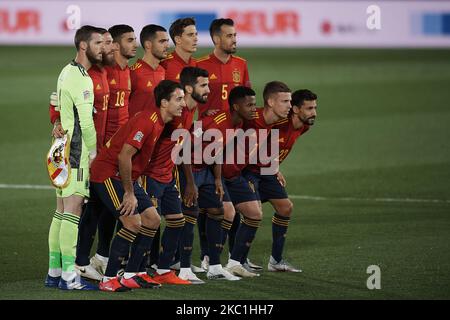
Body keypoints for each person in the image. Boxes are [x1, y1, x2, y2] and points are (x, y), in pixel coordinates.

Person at [89, 80, 185, 292]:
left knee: (152, 219)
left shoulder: (159, 121)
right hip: (107, 174)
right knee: (132, 223)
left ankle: (133, 274)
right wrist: (130, 193)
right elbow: (124, 156)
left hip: (125, 177)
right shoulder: (148, 122)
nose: (183, 104)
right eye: (178, 99)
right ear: (163, 102)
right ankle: (109, 279)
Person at [49, 28, 116, 282]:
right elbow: (87, 124)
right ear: (83, 46)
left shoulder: (66, 71)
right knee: (73, 212)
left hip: (60, 151)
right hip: (76, 153)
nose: (103, 47)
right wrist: (94, 153)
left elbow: (57, 106)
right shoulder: (83, 79)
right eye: (98, 42)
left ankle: (54, 272)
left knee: (60, 212)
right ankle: (69, 276)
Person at [142, 67, 210, 285]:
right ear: (189, 89)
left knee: (176, 220)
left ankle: (163, 268)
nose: (209, 90)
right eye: (204, 85)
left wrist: (189, 181)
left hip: (168, 175)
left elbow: (183, 146)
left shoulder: (189, 112)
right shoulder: (171, 115)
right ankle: (134, 269)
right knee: (147, 223)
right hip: (150, 175)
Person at [243, 89, 317, 273]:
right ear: (296, 109)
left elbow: (275, 146)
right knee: (246, 212)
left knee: (285, 207)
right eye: (309, 108)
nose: (314, 112)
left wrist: (275, 166)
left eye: (315, 107)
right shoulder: (277, 122)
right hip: (249, 171)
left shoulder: (304, 126)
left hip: (267, 171)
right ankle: (234, 259)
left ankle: (275, 261)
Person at [223, 81, 292, 276]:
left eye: (290, 101)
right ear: (270, 102)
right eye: (285, 101)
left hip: (237, 173)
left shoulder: (270, 122)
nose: (289, 105)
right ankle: (212, 262)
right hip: (223, 173)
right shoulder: (251, 117)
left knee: (251, 213)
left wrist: (273, 166)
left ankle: (234, 262)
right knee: (217, 214)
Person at [196, 18, 251, 118]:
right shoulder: (199, 65)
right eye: (229, 36)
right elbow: (189, 99)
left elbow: (248, 98)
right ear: (217, 39)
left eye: (235, 35)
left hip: (235, 128)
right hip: (208, 128)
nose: (234, 40)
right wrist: (205, 111)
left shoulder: (241, 64)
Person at [104, 24, 137, 142]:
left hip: (122, 140)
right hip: (103, 144)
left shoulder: (129, 71)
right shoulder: (103, 71)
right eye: (130, 41)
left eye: (135, 40)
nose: (135, 45)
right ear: (116, 45)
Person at [128, 24, 168, 117]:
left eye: (167, 41)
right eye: (162, 41)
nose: (166, 45)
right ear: (148, 45)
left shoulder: (162, 71)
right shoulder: (133, 73)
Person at [160, 17, 197, 82]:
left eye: (196, 34)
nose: (196, 39)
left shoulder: (197, 64)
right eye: (190, 35)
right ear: (178, 40)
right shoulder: (163, 65)